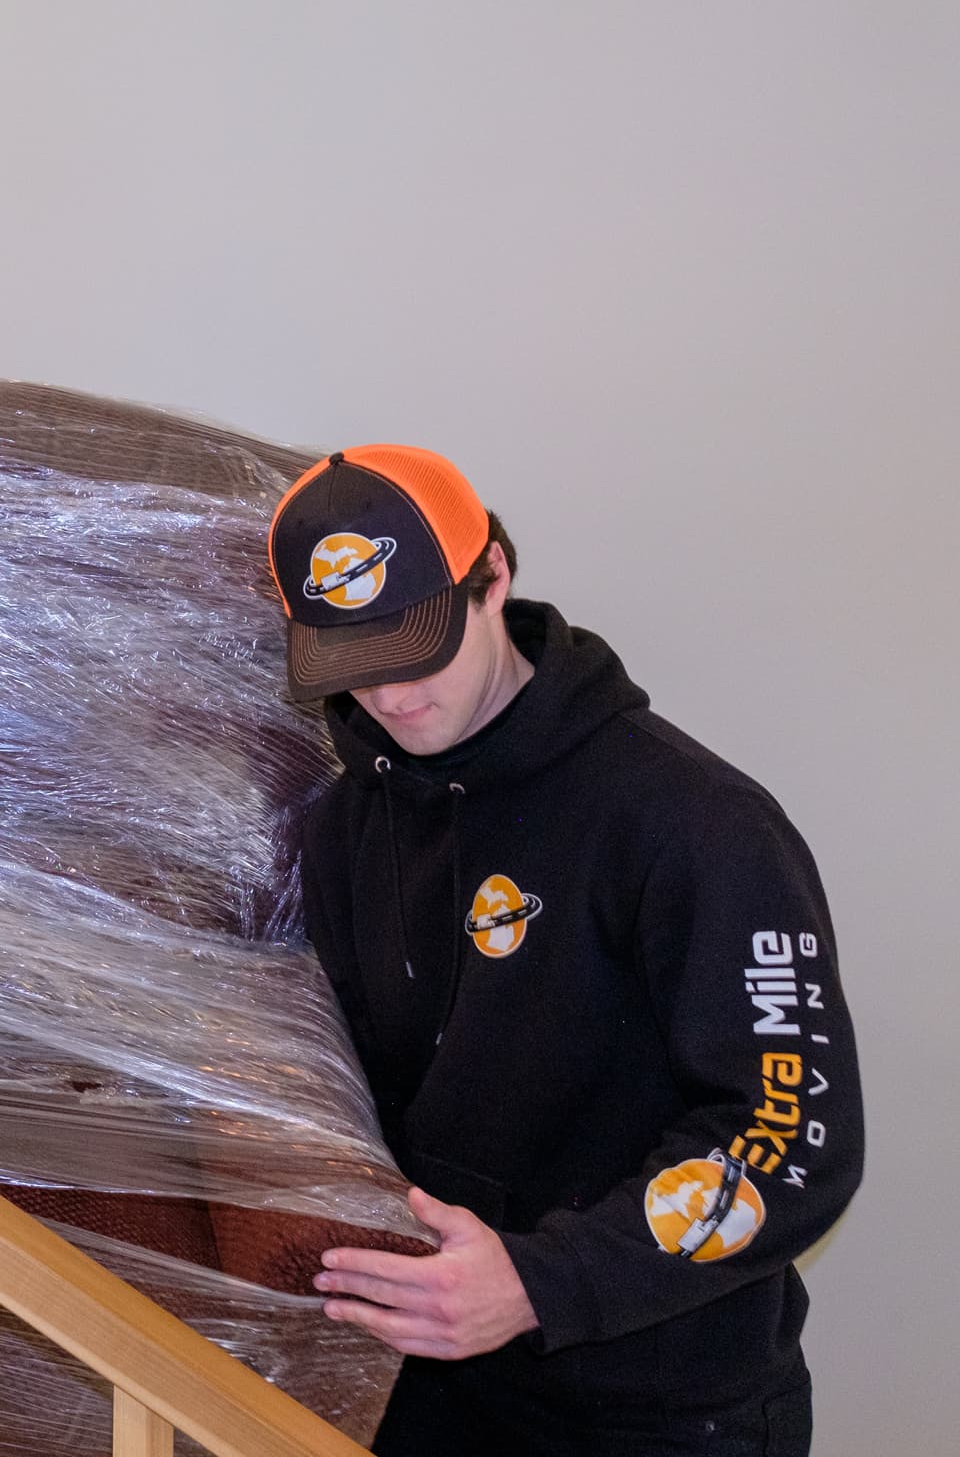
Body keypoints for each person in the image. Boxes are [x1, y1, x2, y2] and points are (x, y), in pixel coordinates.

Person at [267, 446, 862, 1455]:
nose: (394, 699)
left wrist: (542, 1283)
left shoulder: (694, 822)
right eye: (354, 668)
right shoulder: (342, 826)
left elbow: (788, 1131)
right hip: (430, 1393)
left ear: (492, 576)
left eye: (418, 649)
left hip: (661, 1409)